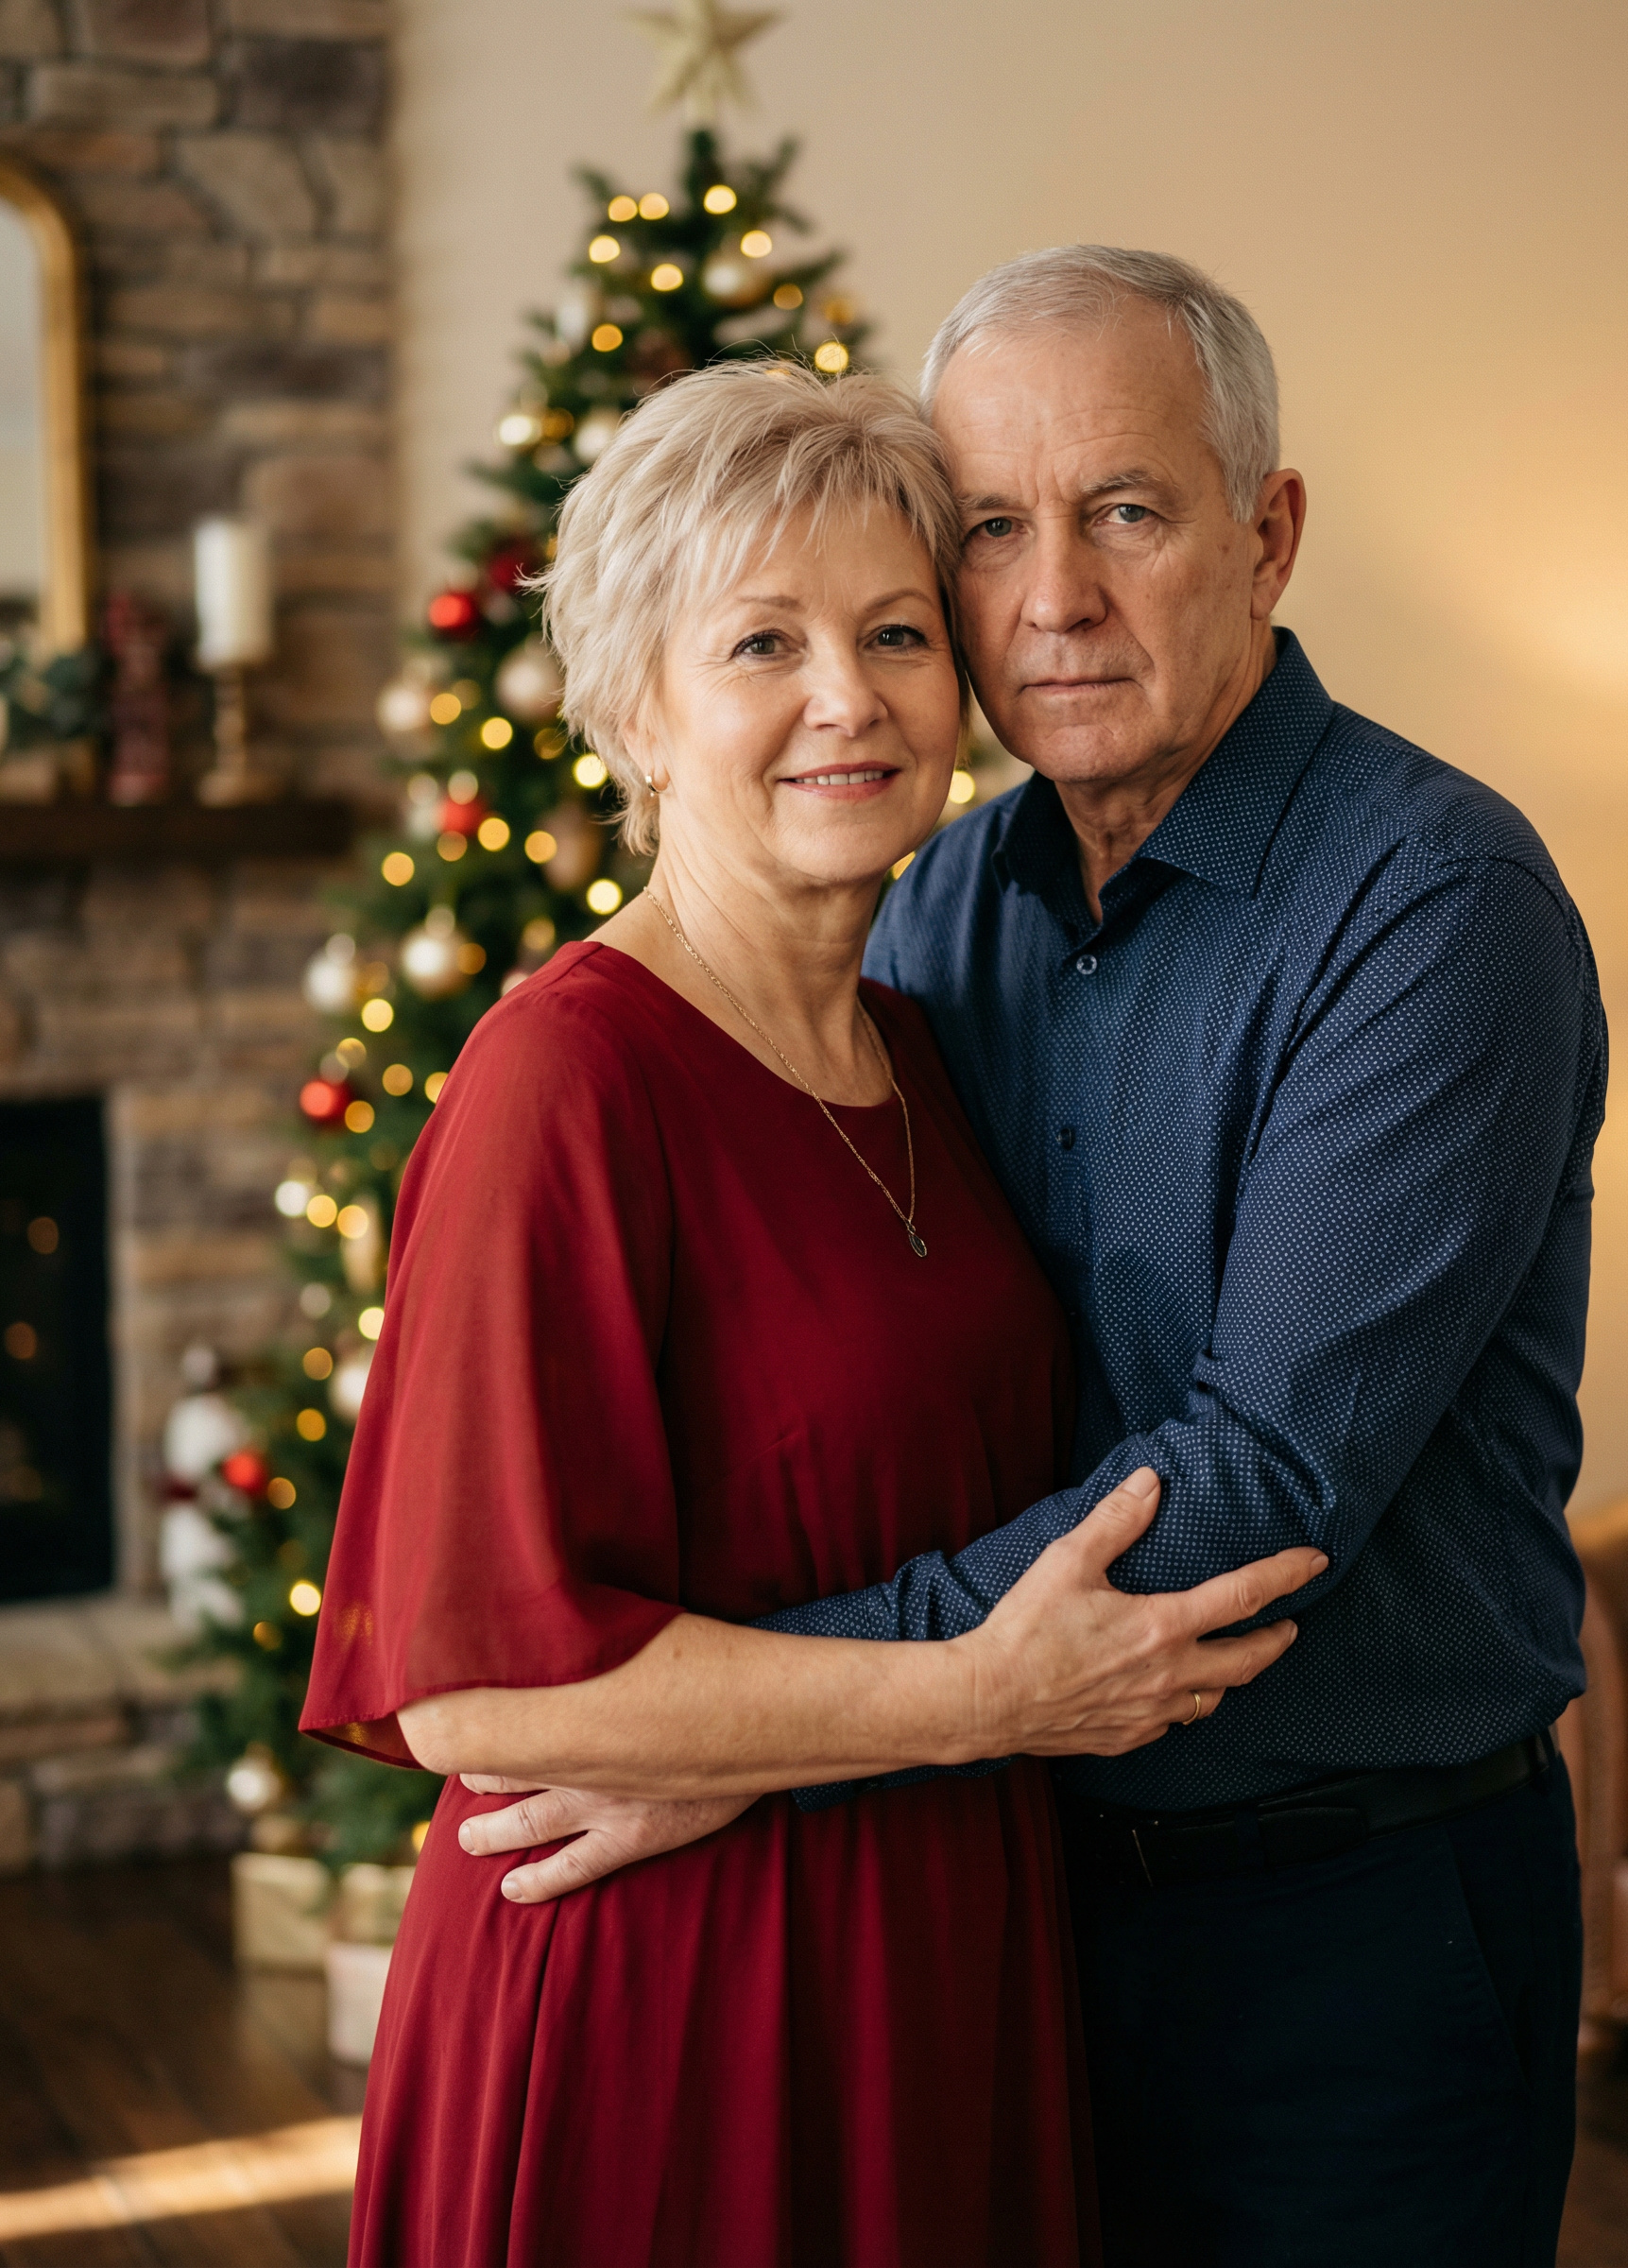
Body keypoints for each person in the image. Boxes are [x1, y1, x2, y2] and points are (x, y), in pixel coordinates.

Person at [464, 251, 1606, 2268]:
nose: (1052, 594)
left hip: (1346, 1927)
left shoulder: (1435, 903)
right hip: (998, 1902)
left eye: (1129, 513)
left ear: (1265, 535)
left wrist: (751, 1735)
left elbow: (1259, 1477)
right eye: (991, 529)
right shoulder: (938, 908)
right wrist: (872, 1733)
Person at [300, 362, 1323, 2268]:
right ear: (634, 710)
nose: (847, 698)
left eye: (894, 634)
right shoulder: (564, 1081)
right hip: (662, 2004)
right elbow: (474, 1692)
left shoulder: (919, 1050)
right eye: (761, 640)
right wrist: (974, 1699)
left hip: (930, 1943)